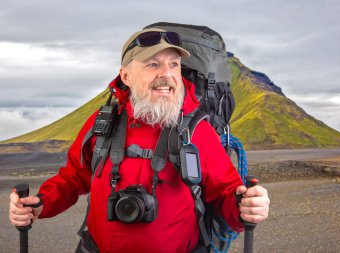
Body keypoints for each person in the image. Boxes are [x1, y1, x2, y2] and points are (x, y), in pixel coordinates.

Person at [9, 27, 270, 253]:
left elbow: (227, 194)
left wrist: (246, 207)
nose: (166, 74)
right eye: (153, 64)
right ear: (126, 76)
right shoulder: (103, 124)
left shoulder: (197, 131)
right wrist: (40, 204)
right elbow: (73, 177)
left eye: (174, 64)